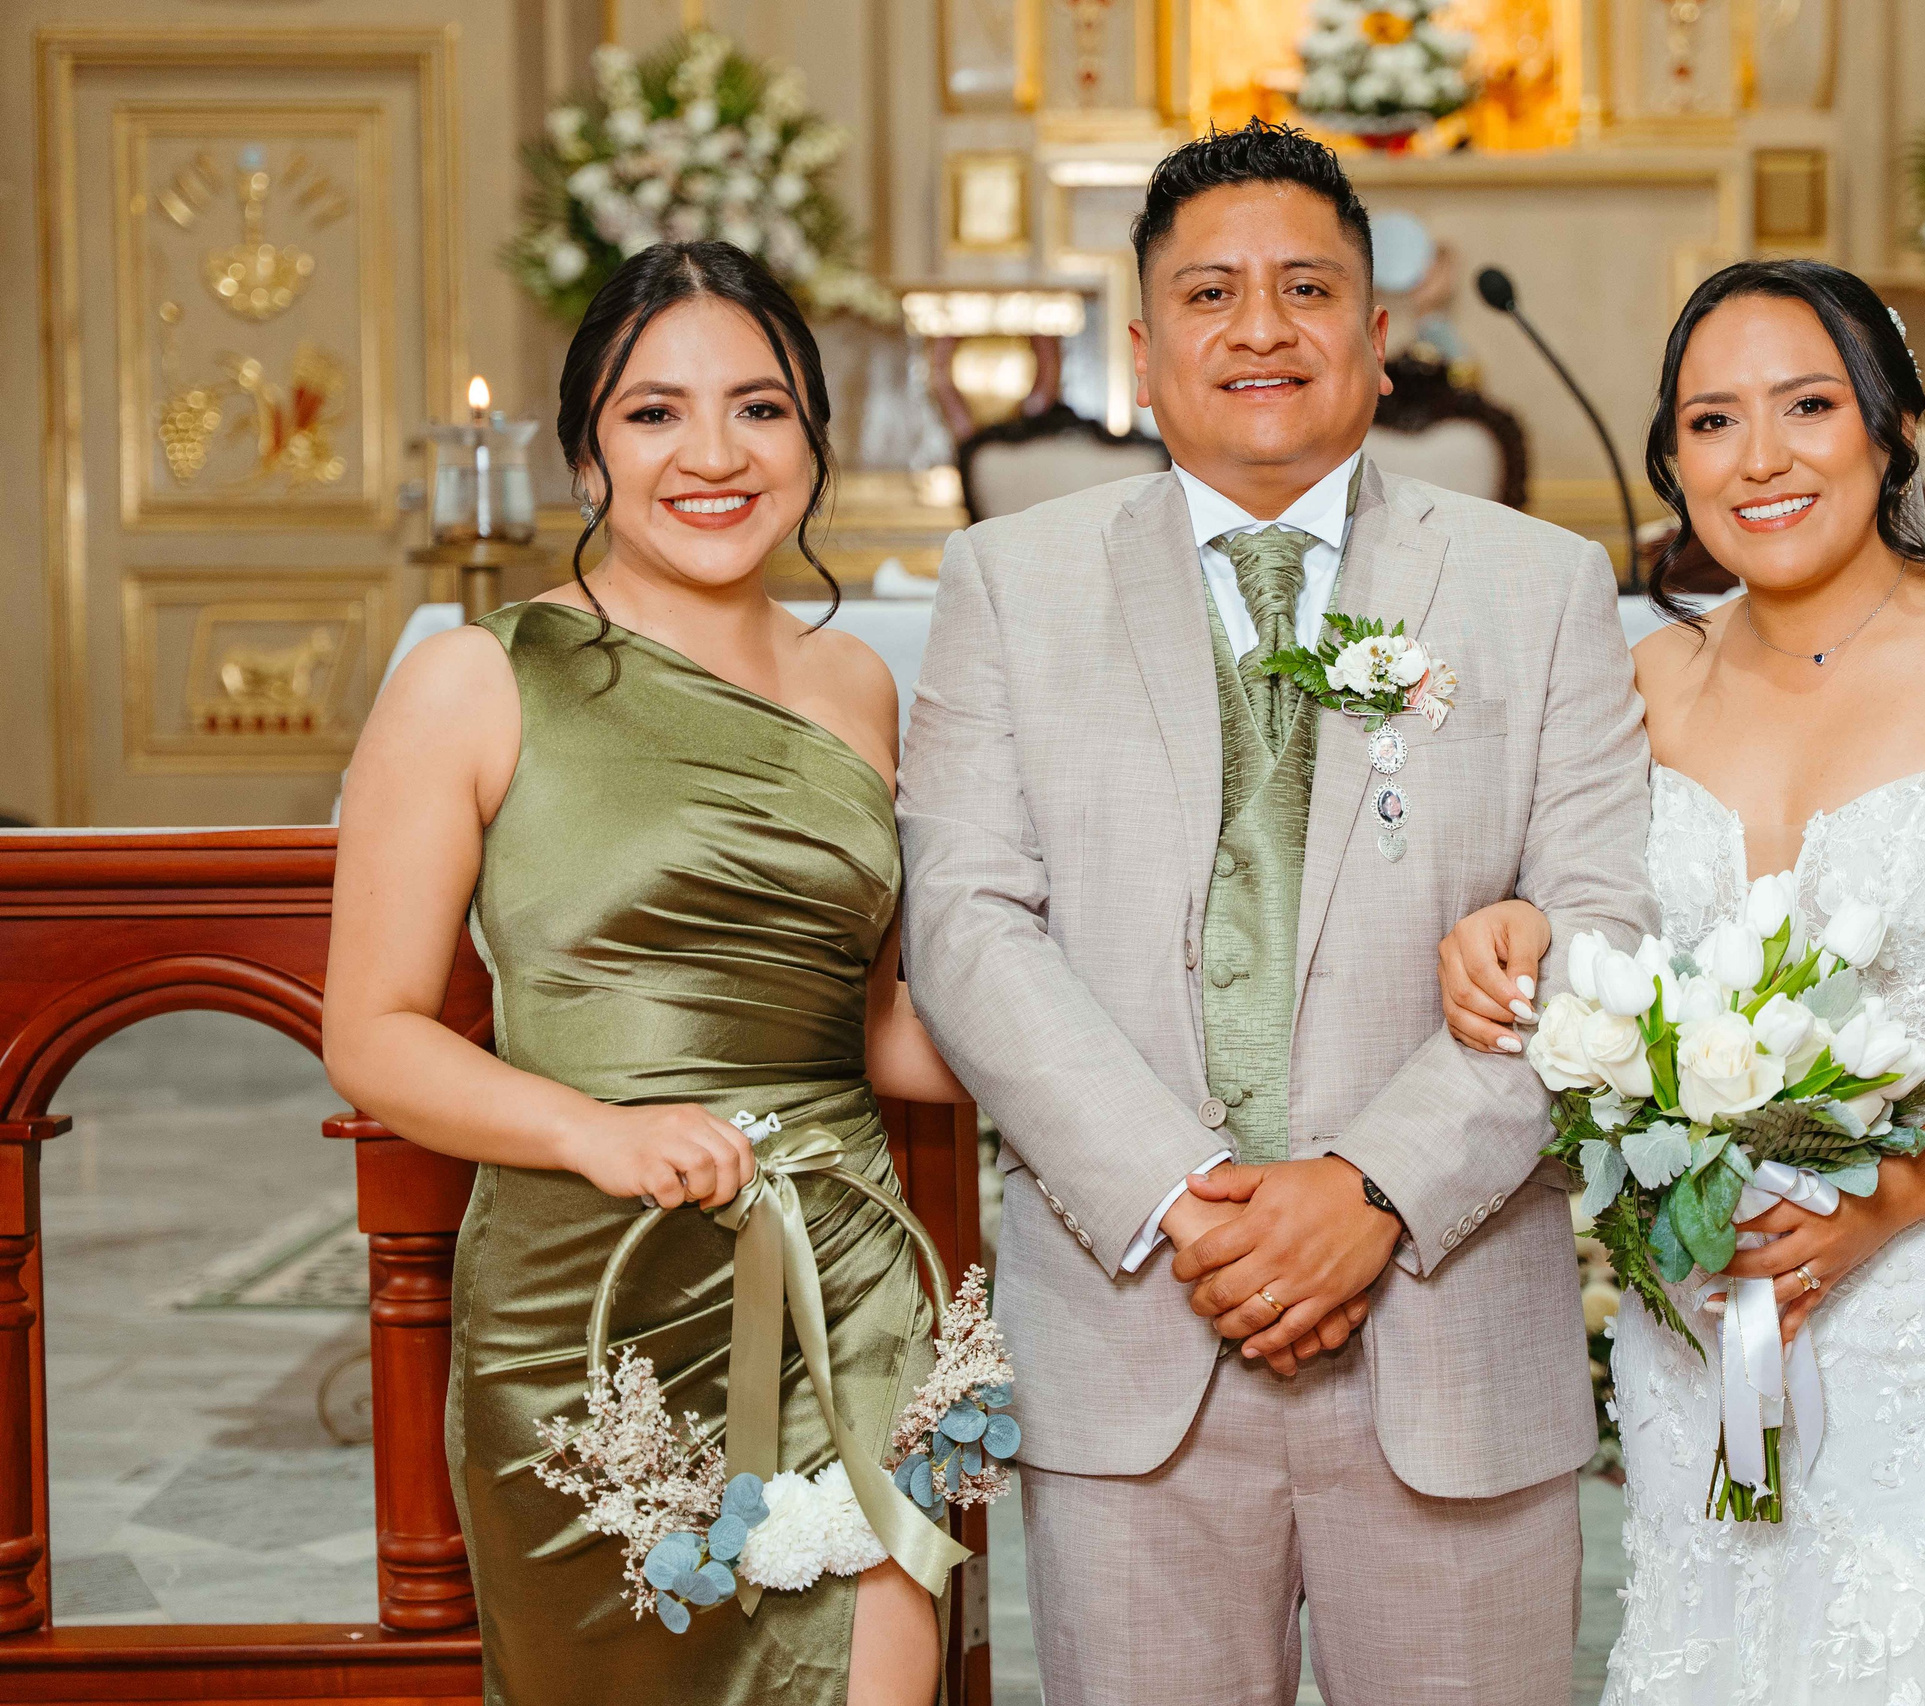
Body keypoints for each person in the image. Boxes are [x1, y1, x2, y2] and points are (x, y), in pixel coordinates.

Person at [895, 119, 1655, 1705]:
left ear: (1379, 341)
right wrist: (1190, 1196)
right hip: (1135, 1317)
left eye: (1309, 288)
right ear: (1144, 346)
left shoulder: (1540, 584)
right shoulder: (1006, 585)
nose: (1262, 329)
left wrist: (1373, 1186)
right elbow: (968, 923)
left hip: (1445, 1319)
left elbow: (1604, 927)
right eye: (1212, 293)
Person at [1437, 259, 1925, 1703]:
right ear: (1672, 460)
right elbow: (1567, 925)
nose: (1763, 457)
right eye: (1713, 422)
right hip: (1716, 1299)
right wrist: (1509, 938)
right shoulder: (1637, 685)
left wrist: (1905, 1186)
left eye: (1808, 406)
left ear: (1893, 427)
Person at [322, 242, 962, 1706]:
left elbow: (881, 1026)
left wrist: (1106, 1049)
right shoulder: (478, 678)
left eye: (761, 407)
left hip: (838, 1274)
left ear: (813, 434)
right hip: (582, 1303)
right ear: (584, 451)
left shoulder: (858, 686)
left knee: (878, 1655)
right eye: (655, 414)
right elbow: (371, 1031)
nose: (716, 455)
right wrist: (595, 1132)